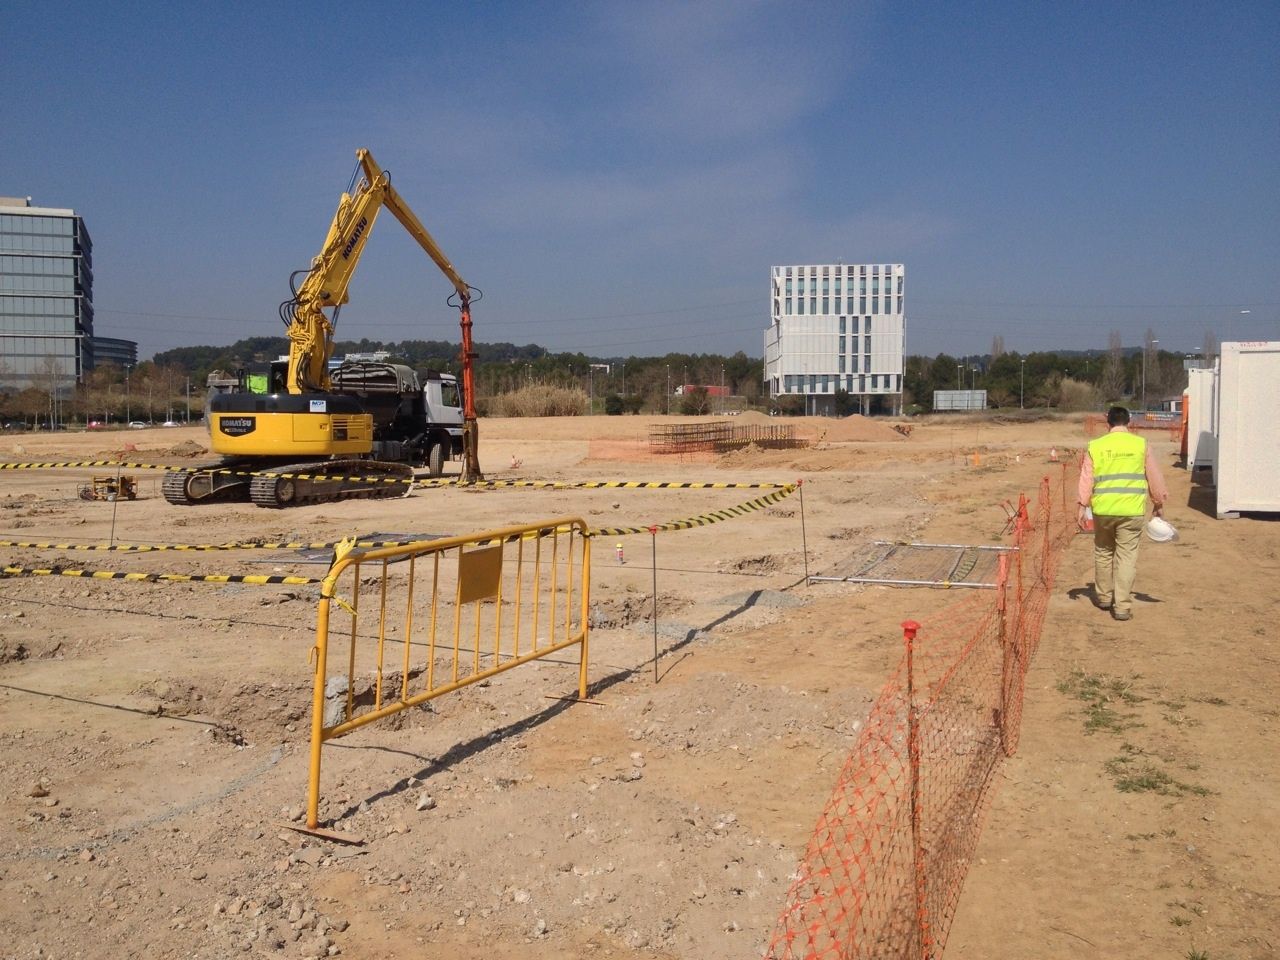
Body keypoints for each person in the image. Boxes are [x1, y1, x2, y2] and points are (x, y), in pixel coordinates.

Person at [1077, 406, 1169, 621]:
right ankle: (1122, 606)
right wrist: (1158, 503)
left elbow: (1086, 478)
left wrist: (1081, 506)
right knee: (1126, 557)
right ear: (1129, 422)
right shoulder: (1141, 444)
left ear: (1107, 422)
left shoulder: (1096, 446)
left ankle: (1104, 597)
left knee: (1103, 552)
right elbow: (1154, 476)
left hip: (1103, 510)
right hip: (1132, 511)